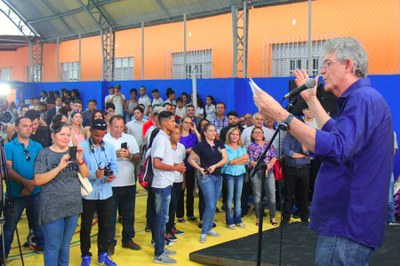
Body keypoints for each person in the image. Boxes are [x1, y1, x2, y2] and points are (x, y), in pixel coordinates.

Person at [253, 37, 393, 265]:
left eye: (327, 64)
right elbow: (337, 134)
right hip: (347, 221)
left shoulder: (362, 100)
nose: (322, 71)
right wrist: (312, 101)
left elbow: (337, 147)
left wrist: (282, 116)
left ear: (348, 65)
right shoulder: (364, 99)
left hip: (346, 223)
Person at [34, 121, 90, 266]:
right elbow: (38, 180)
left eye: (68, 134)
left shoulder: (72, 152)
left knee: (65, 245)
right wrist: (59, 167)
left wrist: (80, 160)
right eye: (62, 134)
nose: (65, 137)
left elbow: (85, 174)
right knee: (53, 247)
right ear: (53, 136)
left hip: (72, 206)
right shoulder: (44, 154)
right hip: (53, 208)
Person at [1, 117, 44, 260]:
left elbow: (42, 168)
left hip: (36, 193)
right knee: (9, 227)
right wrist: (26, 183)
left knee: (38, 224)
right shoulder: (8, 147)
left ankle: (40, 246)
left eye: (30, 126)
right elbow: (8, 170)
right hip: (15, 195)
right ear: (17, 128)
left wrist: (32, 185)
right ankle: (2, 255)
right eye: (24, 126)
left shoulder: (37, 146)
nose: (28, 128)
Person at [79, 119, 118, 266]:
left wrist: (112, 174)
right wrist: (94, 175)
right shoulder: (81, 148)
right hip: (89, 193)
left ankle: (103, 253)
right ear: (91, 132)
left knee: (105, 225)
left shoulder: (109, 146)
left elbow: (114, 164)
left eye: (102, 135)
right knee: (86, 226)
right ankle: (85, 255)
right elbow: (79, 171)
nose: (99, 138)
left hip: (106, 192)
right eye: (96, 135)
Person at [151, 111, 186, 264]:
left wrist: (176, 166)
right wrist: (175, 169)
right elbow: (156, 163)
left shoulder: (164, 138)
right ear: (164, 123)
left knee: (163, 218)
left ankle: (161, 248)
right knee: (161, 219)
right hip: (161, 184)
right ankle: (159, 253)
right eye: (172, 121)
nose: (175, 124)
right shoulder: (161, 139)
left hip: (166, 182)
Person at [104, 115, 141, 254]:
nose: (119, 129)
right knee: (110, 215)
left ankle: (128, 239)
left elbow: (138, 156)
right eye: (116, 126)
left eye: (121, 126)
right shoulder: (105, 140)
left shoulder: (129, 138)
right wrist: (115, 154)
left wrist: (129, 155)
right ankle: (109, 242)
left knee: (128, 213)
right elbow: (100, 158)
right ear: (110, 126)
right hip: (110, 184)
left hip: (128, 182)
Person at [188, 123, 228, 243]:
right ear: (204, 133)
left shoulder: (219, 143)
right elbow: (190, 159)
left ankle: (209, 227)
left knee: (214, 203)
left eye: (214, 130)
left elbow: (225, 159)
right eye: (210, 131)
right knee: (210, 205)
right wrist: (199, 168)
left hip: (218, 176)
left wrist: (215, 166)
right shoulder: (200, 145)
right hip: (206, 177)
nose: (213, 132)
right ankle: (204, 231)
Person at [247, 126, 278, 225]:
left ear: (263, 134)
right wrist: (260, 167)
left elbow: (274, 157)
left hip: (269, 172)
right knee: (257, 196)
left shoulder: (269, 145)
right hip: (256, 172)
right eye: (255, 133)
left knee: (272, 195)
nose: (258, 134)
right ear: (252, 135)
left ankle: (272, 216)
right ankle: (258, 217)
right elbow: (251, 161)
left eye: (260, 132)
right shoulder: (250, 147)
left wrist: (268, 166)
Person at [222, 127, 249, 229]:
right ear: (229, 135)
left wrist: (236, 160)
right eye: (233, 134)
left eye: (237, 134)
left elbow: (246, 160)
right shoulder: (225, 147)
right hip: (229, 174)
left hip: (240, 174)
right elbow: (229, 161)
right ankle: (229, 221)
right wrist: (241, 158)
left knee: (238, 197)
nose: (235, 136)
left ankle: (238, 219)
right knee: (229, 198)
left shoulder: (242, 147)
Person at [282, 130, 310, 224]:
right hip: (290, 169)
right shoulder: (287, 138)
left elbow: (308, 153)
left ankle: (305, 219)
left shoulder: (306, 139)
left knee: (304, 195)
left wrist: (302, 140)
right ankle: (286, 219)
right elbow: (288, 153)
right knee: (289, 194)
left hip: (304, 169)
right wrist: (303, 156)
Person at [176, 116, 201, 223]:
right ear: (181, 123)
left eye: (190, 123)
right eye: (186, 122)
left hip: (191, 166)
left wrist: (195, 129)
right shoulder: (177, 136)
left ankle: (190, 214)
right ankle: (180, 214)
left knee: (190, 190)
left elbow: (200, 143)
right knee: (180, 191)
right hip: (179, 166)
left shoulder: (193, 136)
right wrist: (186, 151)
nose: (188, 125)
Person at [165, 126, 186, 242]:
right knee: (170, 205)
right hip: (168, 180)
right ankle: (168, 230)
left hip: (178, 179)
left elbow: (182, 164)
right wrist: (175, 165)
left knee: (175, 204)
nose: (178, 136)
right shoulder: (166, 147)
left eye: (179, 133)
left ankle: (172, 227)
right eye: (175, 133)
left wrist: (183, 180)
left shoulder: (181, 147)